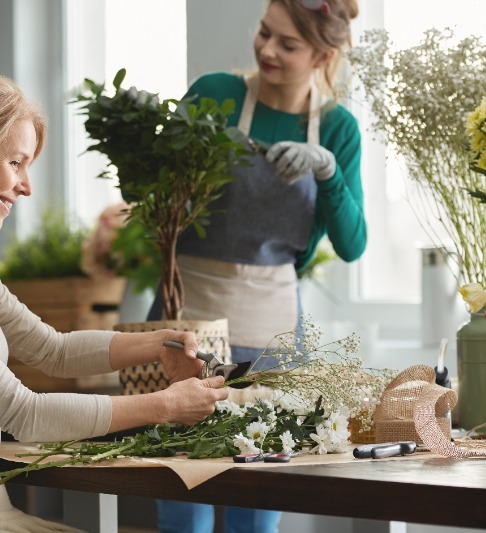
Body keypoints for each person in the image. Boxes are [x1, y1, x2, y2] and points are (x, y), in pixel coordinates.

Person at [0, 70, 229, 533]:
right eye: (16, 162)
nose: (26, 186)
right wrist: (166, 405)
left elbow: (54, 350)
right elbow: (24, 413)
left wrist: (159, 343)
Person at [151, 0, 365, 531]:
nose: (267, 50)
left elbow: (352, 244)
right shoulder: (214, 94)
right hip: (187, 322)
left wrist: (329, 171)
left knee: (256, 501)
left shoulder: (337, 128)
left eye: (287, 44)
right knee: (180, 497)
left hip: (271, 332)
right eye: (265, 33)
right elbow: (151, 194)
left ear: (323, 53)